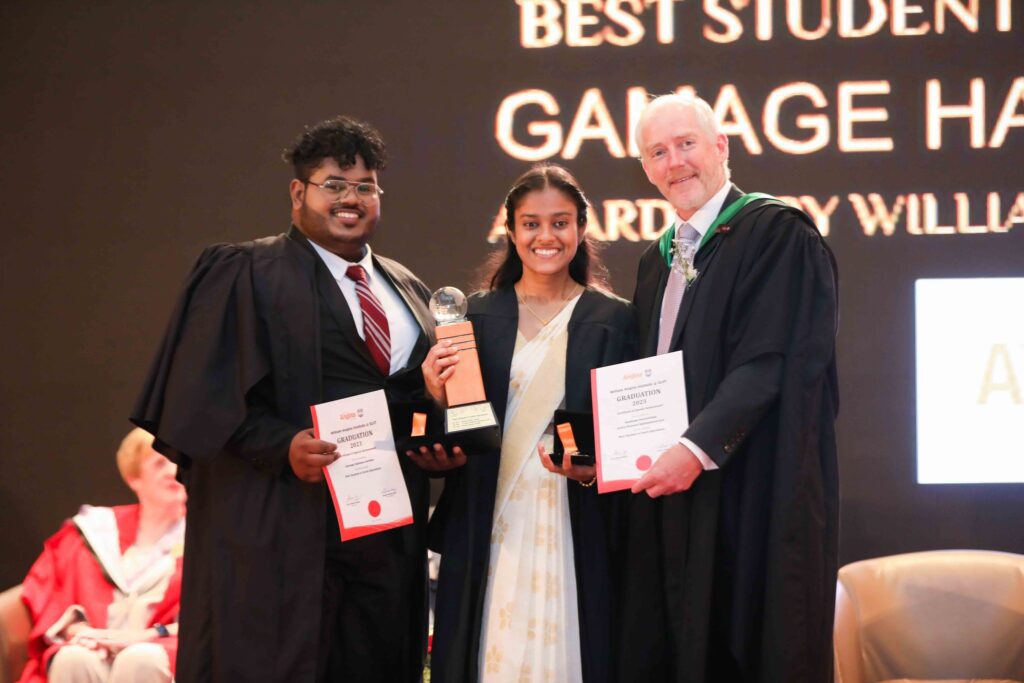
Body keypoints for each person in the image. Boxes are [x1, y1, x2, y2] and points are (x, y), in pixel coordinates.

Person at [131, 116, 434, 682]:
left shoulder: (406, 288)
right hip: (282, 534)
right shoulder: (244, 272)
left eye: (365, 186)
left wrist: (434, 443)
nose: (351, 199)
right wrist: (282, 444)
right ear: (298, 192)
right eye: (334, 184)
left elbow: (413, 398)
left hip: (383, 538)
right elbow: (198, 401)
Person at [617, 93, 840, 682]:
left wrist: (695, 450)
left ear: (721, 147)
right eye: (657, 152)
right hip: (674, 501)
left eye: (686, 144)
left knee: (749, 644)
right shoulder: (655, 262)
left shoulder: (777, 234)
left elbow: (773, 360)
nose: (674, 162)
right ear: (646, 169)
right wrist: (607, 452)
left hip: (752, 488)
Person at [413, 164, 635, 683]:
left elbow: (628, 435)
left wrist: (595, 470)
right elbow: (451, 427)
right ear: (510, 231)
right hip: (489, 516)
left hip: (573, 518)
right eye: (531, 224)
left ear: (581, 228)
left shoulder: (616, 320)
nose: (545, 236)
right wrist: (434, 394)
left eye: (560, 222)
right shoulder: (473, 317)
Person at [18, 428, 186, 683]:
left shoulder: (206, 541)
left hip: (161, 644)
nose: (173, 472)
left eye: (180, 463)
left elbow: (214, 621)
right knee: (72, 657)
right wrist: (80, 630)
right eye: (160, 463)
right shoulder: (95, 531)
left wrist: (146, 636)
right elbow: (52, 595)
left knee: (139, 658)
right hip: (97, 643)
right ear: (134, 478)